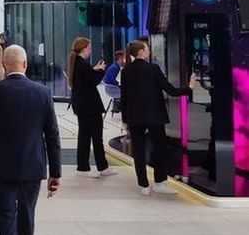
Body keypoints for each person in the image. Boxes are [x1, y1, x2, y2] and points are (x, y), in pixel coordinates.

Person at [0, 45, 61, 235]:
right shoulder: (43, 93)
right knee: (27, 217)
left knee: (6, 218)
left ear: (4, 65)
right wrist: (55, 172)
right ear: (25, 64)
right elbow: (52, 135)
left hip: (1, 166)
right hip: (32, 165)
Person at [121, 40, 192, 195]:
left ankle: (143, 185)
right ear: (141, 52)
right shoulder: (153, 69)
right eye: (147, 48)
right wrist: (188, 88)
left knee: (138, 150)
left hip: (134, 117)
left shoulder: (126, 71)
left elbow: (124, 97)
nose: (149, 51)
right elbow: (170, 90)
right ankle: (160, 182)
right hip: (154, 115)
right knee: (159, 148)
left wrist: (125, 118)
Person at [67, 37, 116, 178]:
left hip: (82, 106)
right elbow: (93, 80)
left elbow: (86, 77)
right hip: (89, 107)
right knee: (96, 137)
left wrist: (94, 69)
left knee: (85, 137)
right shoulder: (83, 65)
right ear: (83, 49)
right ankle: (101, 167)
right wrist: (101, 71)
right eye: (89, 48)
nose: (90, 50)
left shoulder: (77, 63)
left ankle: (83, 167)